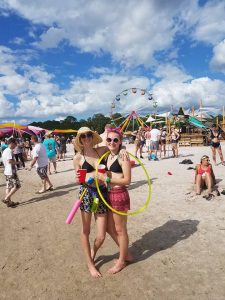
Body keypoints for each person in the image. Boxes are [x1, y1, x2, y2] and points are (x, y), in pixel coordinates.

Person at [73, 127, 109, 278]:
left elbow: (117, 147)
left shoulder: (101, 151)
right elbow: (79, 180)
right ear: (80, 140)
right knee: (86, 230)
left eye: (88, 135)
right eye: (83, 136)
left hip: (100, 195)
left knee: (101, 236)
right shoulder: (77, 158)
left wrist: (124, 150)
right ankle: (89, 263)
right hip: (87, 194)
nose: (86, 138)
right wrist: (82, 177)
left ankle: (93, 252)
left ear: (92, 137)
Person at [97, 128, 131, 274]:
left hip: (119, 194)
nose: (112, 142)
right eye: (109, 139)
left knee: (120, 230)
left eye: (116, 140)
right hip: (108, 194)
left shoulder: (123, 157)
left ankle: (122, 261)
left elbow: (128, 180)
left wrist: (108, 179)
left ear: (120, 142)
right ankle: (126, 253)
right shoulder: (107, 155)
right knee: (109, 228)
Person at [2, 138, 20, 207]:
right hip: (11, 171)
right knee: (17, 186)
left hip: (7, 171)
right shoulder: (9, 151)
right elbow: (10, 161)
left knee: (8, 187)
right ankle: (6, 199)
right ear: (12, 143)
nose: (16, 145)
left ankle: (9, 202)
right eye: (15, 143)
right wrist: (18, 162)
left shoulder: (5, 150)